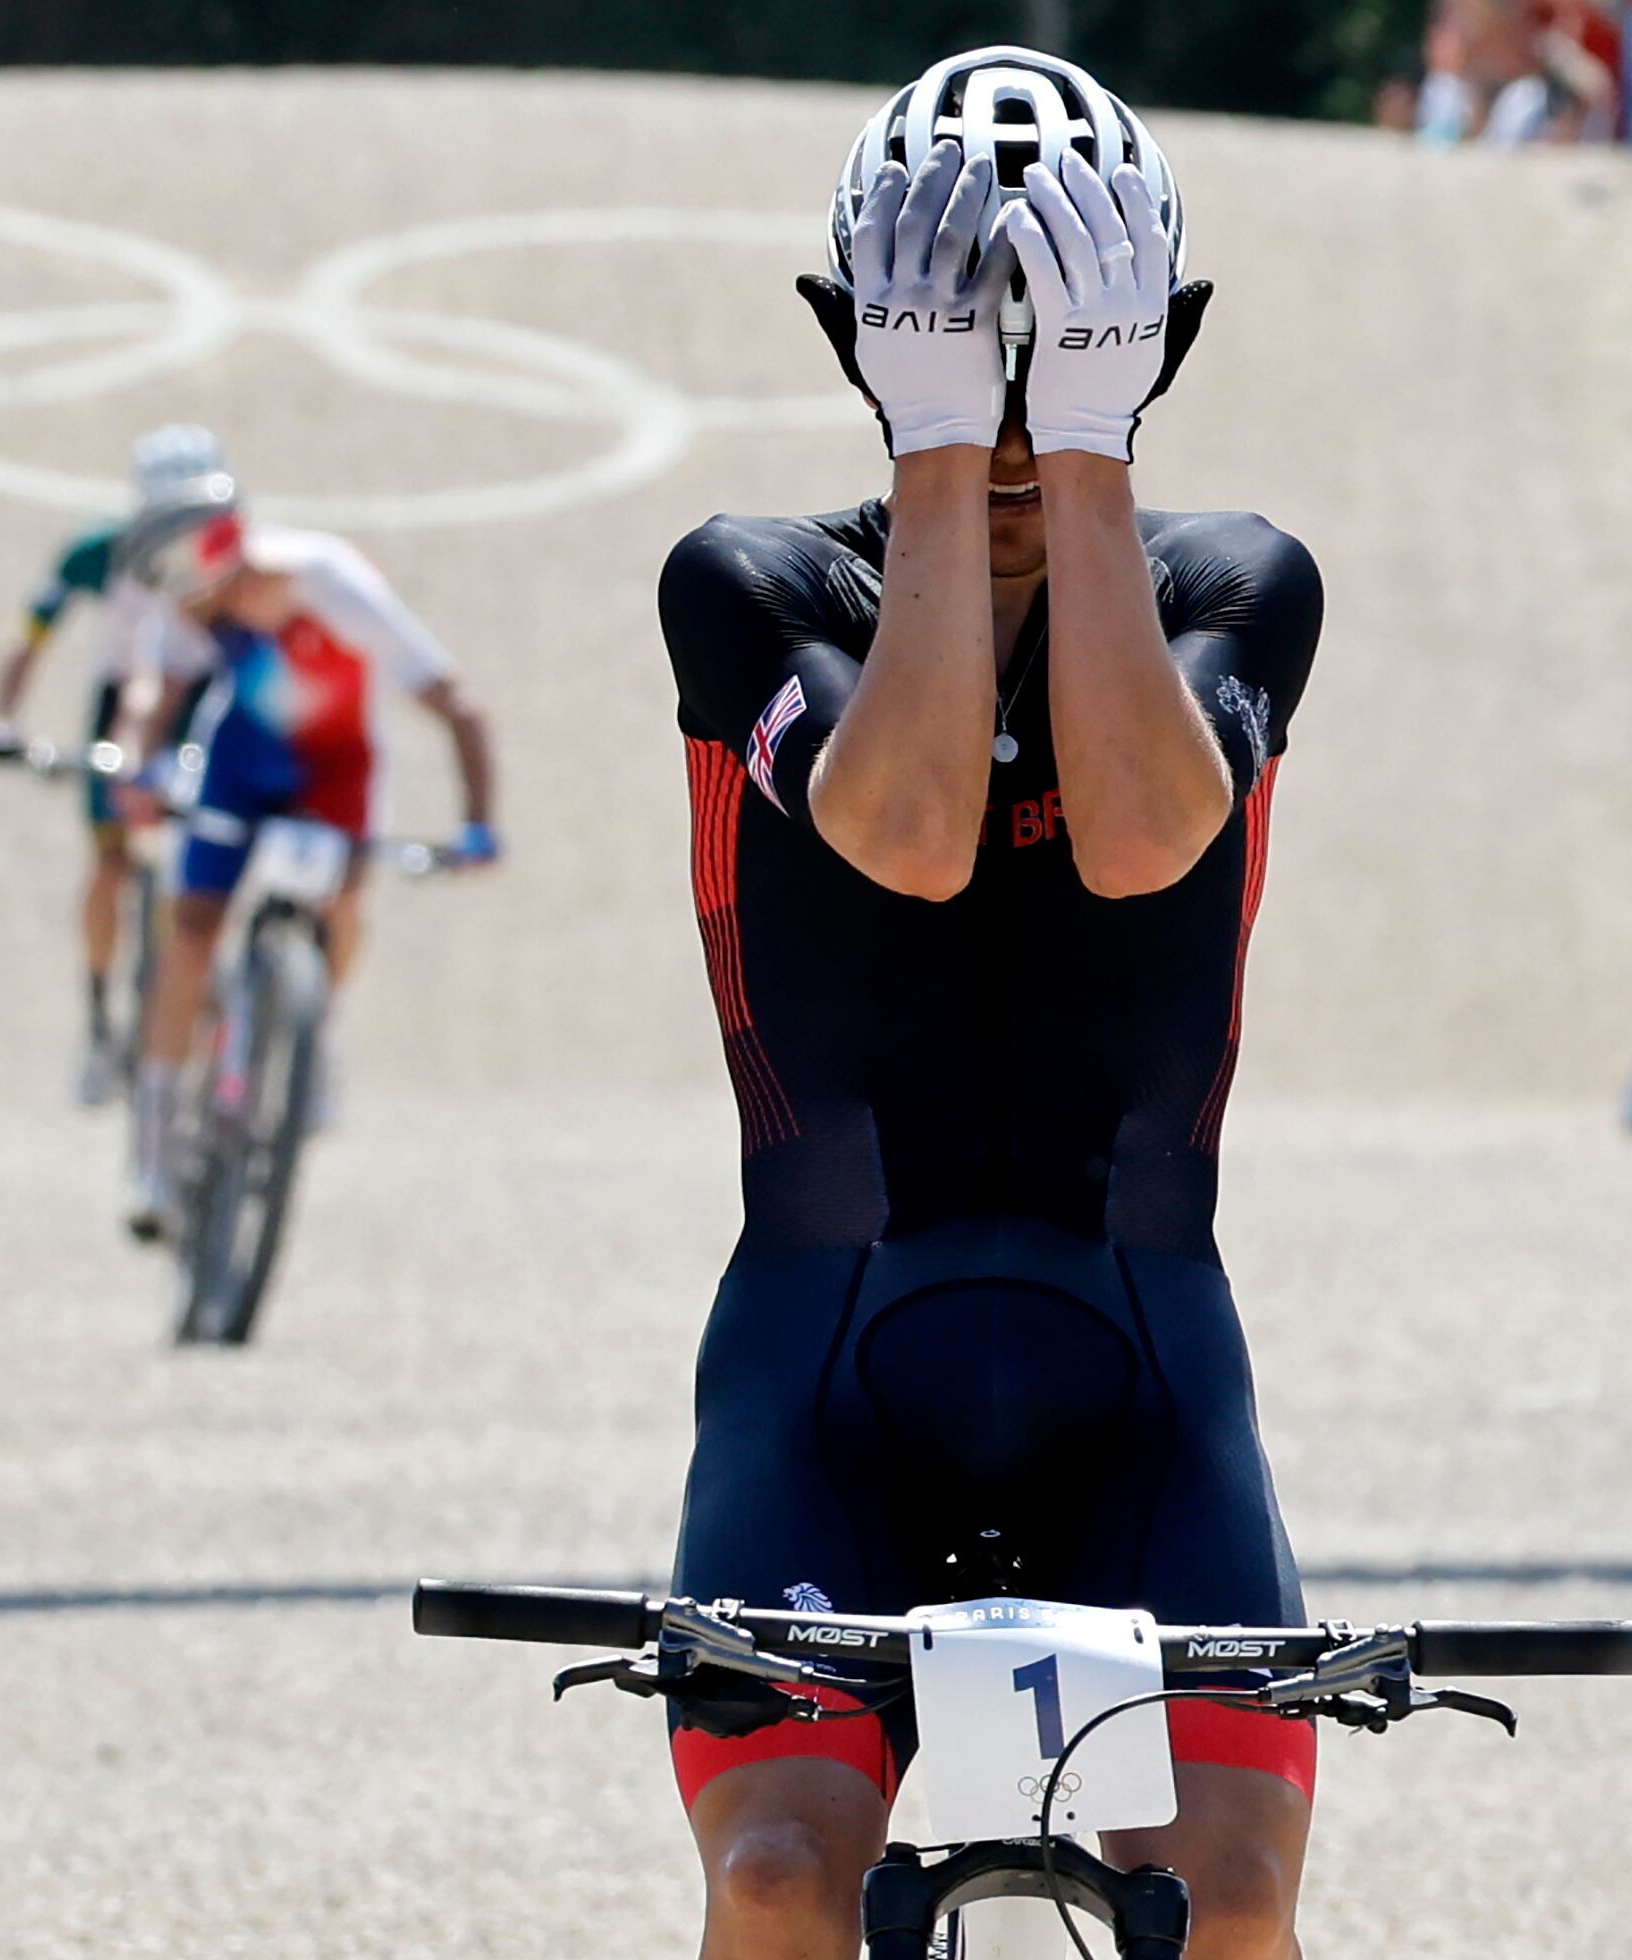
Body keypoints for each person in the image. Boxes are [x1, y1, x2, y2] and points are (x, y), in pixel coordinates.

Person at [658, 47, 1322, 1960]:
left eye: (1074, 360)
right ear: (856, 343)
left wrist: (1081, 449)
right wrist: (938, 441)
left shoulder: (1240, 583)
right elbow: (912, 829)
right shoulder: (752, 583)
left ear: (1154, 344)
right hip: (828, 1355)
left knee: (1230, 1903)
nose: (1021, 421)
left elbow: (1136, 837)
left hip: (1140, 1359)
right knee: (779, 1883)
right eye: (969, 354)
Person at [112, 480, 498, 1239]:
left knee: (344, 902)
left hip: (336, 768)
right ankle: (154, 1147)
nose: (178, 611)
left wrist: (479, 822)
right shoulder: (195, 601)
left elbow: (455, 700)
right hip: (240, 761)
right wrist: (139, 770)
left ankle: (314, 1027)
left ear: (211, 566)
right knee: (191, 932)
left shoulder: (329, 583)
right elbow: (154, 695)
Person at [0, 425, 226, 1104]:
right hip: (127, 700)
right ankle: (99, 1020)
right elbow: (29, 634)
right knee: (112, 862)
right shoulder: (97, 552)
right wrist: (3, 717)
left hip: (209, 697)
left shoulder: (236, 557)